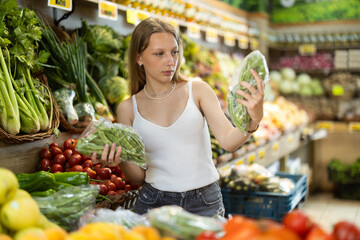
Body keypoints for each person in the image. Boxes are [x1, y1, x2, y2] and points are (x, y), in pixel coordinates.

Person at [91, 17, 265, 217]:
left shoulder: (198, 90)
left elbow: (228, 140)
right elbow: (139, 177)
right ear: (139, 57)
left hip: (204, 201)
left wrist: (254, 120)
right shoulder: (128, 109)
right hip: (154, 202)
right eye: (159, 54)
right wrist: (119, 160)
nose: (170, 61)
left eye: (174, 52)